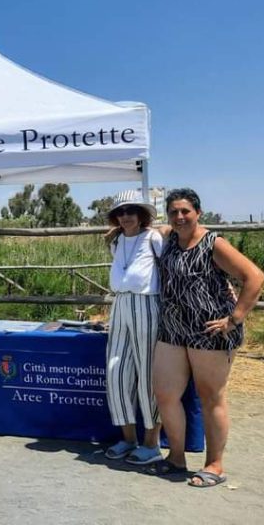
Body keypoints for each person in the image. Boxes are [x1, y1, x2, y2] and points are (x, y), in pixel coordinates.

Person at [150, 188, 264, 488]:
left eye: (185, 211)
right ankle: (176, 457)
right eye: (173, 212)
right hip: (173, 328)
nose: (179, 217)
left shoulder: (214, 243)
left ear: (198, 213)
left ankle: (215, 464)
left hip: (211, 330)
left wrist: (235, 317)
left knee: (210, 396)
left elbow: (255, 277)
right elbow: (152, 228)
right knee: (165, 393)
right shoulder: (170, 239)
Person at [102, 190, 166, 465]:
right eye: (120, 212)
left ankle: (152, 443)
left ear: (142, 215)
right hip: (120, 305)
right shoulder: (116, 241)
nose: (125, 216)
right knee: (116, 372)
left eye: (131, 211)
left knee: (148, 373)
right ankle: (128, 438)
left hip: (147, 304)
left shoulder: (154, 238)